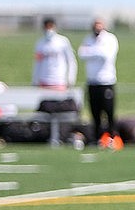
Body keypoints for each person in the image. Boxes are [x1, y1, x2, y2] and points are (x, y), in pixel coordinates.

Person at [79, 17, 121, 148]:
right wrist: (95, 52)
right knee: (94, 112)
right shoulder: (88, 39)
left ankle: (112, 138)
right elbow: (81, 54)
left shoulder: (110, 39)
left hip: (106, 81)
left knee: (108, 112)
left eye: (100, 25)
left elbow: (107, 55)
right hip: (92, 82)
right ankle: (97, 138)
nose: (97, 28)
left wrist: (91, 52)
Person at [32, 17, 77, 91]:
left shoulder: (63, 41)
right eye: (47, 27)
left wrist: (71, 79)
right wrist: (35, 79)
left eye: (51, 26)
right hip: (44, 81)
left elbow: (71, 61)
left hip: (59, 81)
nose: (49, 29)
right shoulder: (40, 43)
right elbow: (37, 62)